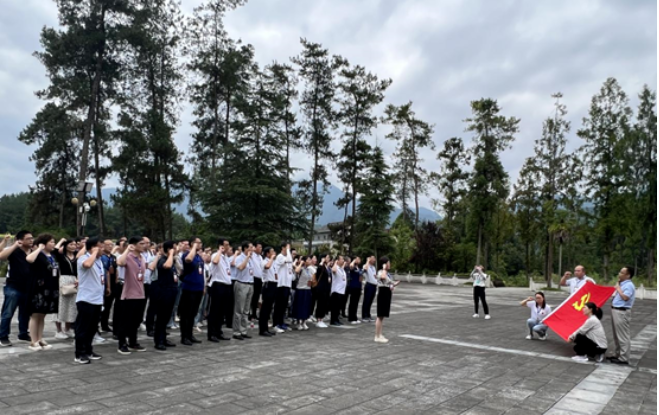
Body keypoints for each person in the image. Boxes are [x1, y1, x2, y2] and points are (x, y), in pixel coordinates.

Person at [25, 234, 60, 351]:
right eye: (51, 242)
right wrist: (39, 248)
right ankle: (33, 341)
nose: (53, 244)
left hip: (50, 288)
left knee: (42, 315)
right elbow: (29, 259)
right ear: (44, 243)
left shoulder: (53, 255)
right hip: (38, 288)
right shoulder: (38, 254)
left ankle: (40, 338)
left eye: (54, 242)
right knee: (35, 314)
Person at [74, 237, 105, 364]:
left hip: (97, 299)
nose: (103, 249)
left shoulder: (99, 260)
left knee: (92, 328)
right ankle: (79, 354)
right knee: (83, 328)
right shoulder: (83, 258)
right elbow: (87, 265)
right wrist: (94, 253)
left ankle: (88, 350)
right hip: (86, 299)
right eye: (100, 247)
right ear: (93, 248)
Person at [115, 236, 148, 355]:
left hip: (140, 293)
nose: (144, 245)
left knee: (136, 320)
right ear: (133, 245)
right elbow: (119, 262)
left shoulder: (142, 258)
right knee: (125, 321)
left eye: (145, 243)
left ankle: (133, 342)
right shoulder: (128, 257)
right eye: (141, 243)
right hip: (129, 294)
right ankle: (122, 344)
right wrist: (128, 250)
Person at [0, 231, 33, 347]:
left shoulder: (33, 251)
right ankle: (3, 336)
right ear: (20, 240)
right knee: (8, 312)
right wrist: (14, 245)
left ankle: (23, 333)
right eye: (28, 238)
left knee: (25, 312)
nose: (31, 240)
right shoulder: (14, 251)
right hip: (13, 287)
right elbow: (1, 256)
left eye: (32, 238)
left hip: (28, 287)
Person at [151, 241, 179, 351]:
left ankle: (163, 337)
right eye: (174, 248)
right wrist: (171, 254)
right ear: (169, 249)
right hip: (164, 291)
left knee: (167, 316)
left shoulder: (171, 260)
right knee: (161, 317)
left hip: (172, 290)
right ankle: (159, 341)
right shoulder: (163, 259)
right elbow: (166, 266)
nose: (176, 250)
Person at [179, 236, 205, 345]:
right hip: (189, 288)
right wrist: (193, 247)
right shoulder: (187, 254)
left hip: (198, 288)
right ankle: (184, 336)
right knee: (186, 314)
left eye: (200, 242)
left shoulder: (198, 256)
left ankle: (190, 335)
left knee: (193, 314)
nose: (200, 244)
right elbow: (188, 260)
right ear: (192, 244)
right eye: (198, 243)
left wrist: (203, 287)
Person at [607, 267, 636, 365]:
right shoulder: (622, 284)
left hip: (622, 312)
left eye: (622, 272)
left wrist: (618, 289)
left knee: (623, 336)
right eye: (620, 272)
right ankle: (618, 354)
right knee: (616, 335)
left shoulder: (629, 285)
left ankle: (624, 358)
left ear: (628, 275)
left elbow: (625, 297)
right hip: (616, 310)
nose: (619, 274)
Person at [53, 238, 77, 339]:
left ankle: (68, 328)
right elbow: (55, 250)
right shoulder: (61, 256)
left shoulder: (76, 256)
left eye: (75, 244)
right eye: (71, 244)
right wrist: (62, 241)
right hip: (63, 279)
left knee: (71, 305)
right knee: (61, 304)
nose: (73, 246)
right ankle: (59, 330)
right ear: (66, 246)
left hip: (74, 280)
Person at [232, 242, 254, 340]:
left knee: (246, 310)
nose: (252, 249)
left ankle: (243, 330)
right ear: (245, 248)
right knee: (239, 310)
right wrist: (247, 257)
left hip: (250, 284)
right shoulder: (239, 258)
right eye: (250, 247)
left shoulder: (251, 259)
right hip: (241, 284)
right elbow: (241, 267)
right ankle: (236, 332)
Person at [375, 256, 399, 343]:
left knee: (382, 316)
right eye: (388, 263)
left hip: (387, 293)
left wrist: (394, 284)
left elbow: (388, 283)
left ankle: (380, 334)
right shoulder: (381, 272)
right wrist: (384, 268)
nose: (390, 264)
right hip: (382, 293)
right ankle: (377, 336)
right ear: (384, 264)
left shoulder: (387, 273)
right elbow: (382, 277)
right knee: (380, 315)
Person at [273, 243, 293, 332]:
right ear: (283, 248)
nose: (288, 249)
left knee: (284, 306)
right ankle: (276, 324)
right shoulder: (280, 257)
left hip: (287, 285)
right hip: (280, 285)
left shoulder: (287, 257)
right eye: (287, 247)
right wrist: (288, 250)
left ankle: (281, 323)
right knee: (278, 306)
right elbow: (289, 260)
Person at [259, 247, 278, 337]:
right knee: (265, 308)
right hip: (267, 285)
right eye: (272, 252)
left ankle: (266, 328)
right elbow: (267, 267)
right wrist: (271, 258)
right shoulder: (264, 261)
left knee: (269, 308)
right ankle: (262, 329)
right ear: (267, 254)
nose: (274, 253)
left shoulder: (273, 262)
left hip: (273, 285)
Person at [100, 239, 117, 334]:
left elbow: (116, 269)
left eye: (111, 245)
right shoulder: (101, 257)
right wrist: (108, 286)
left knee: (109, 305)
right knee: (103, 305)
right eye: (108, 245)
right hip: (104, 283)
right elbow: (106, 272)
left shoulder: (113, 257)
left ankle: (105, 324)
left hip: (113, 283)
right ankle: (101, 324)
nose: (110, 246)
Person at [292, 256, 312, 330]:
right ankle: (298, 323)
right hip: (300, 289)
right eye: (308, 259)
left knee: (306, 306)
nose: (310, 261)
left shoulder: (309, 269)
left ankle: (304, 322)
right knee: (299, 306)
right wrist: (301, 263)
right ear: (304, 261)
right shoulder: (301, 268)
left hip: (307, 289)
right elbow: (296, 271)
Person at [314, 254, 331, 328]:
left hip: (326, 288)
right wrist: (321, 263)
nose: (329, 259)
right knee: (320, 304)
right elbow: (318, 273)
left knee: (324, 304)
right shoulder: (321, 266)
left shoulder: (326, 267)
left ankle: (321, 318)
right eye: (327, 257)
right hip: (321, 288)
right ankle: (318, 319)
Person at [330, 256, 347, 327]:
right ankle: (333, 320)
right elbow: (333, 270)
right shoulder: (335, 267)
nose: (343, 260)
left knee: (338, 307)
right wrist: (335, 263)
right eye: (342, 259)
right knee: (335, 307)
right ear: (338, 260)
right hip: (336, 291)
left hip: (341, 291)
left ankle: (336, 319)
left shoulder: (341, 269)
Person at [249, 243, 264, 324]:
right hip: (253, 278)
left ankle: (254, 314)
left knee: (257, 297)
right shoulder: (252, 255)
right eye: (259, 247)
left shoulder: (260, 257)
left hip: (260, 279)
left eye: (261, 247)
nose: (261, 248)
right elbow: (250, 252)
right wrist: (252, 249)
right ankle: (250, 314)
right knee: (252, 297)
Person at [346, 257, 363, 324]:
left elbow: (360, 278)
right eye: (358, 259)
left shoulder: (359, 268)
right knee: (352, 302)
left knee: (356, 303)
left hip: (358, 286)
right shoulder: (353, 267)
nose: (359, 260)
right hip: (353, 286)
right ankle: (351, 318)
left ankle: (355, 317)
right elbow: (351, 266)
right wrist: (353, 261)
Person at [361, 256, 377, 323]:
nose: (374, 260)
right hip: (369, 285)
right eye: (373, 259)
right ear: (370, 259)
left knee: (370, 301)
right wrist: (367, 261)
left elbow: (374, 276)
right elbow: (365, 269)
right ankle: (364, 316)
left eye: (374, 259)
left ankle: (368, 314)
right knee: (366, 301)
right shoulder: (365, 265)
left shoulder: (373, 267)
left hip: (374, 285)